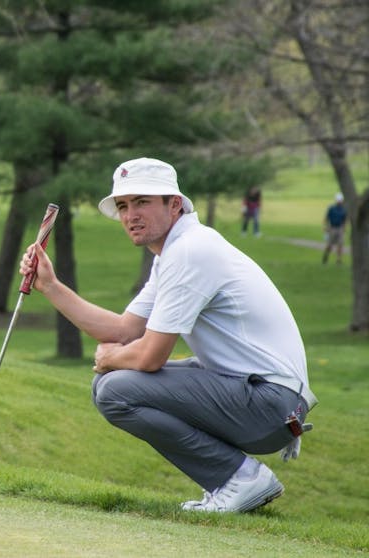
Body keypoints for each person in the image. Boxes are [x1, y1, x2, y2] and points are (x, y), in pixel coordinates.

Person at [19, 157, 316, 513]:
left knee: (115, 389)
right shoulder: (175, 252)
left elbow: (149, 356)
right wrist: (50, 286)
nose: (131, 215)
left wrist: (110, 358)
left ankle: (239, 478)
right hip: (260, 396)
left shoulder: (191, 251)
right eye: (124, 206)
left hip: (270, 403)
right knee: (109, 385)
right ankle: (235, 478)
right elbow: (123, 330)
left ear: (174, 204)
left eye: (143, 202)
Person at [322, 192, 347, 264]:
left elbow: (345, 220)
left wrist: (344, 227)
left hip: (340, 229)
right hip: (332, 228)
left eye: (340, 200)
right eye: (338, 200)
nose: (339, 201)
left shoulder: (344, 209)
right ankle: (326, 256)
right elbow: (326, 218)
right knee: (330, 245)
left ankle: (339, 260)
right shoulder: (331, 208)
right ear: (336, 200)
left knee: (340, 244)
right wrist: (326, 227)